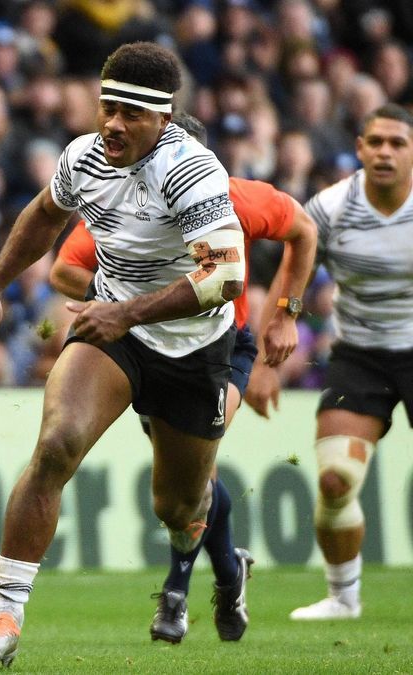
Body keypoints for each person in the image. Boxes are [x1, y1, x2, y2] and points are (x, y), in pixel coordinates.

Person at [0, 43, 247, 666]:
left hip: (193, 346)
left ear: (164, 119)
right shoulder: (82, 158)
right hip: (112, 331)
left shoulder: (193, 170)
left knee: (177, 506)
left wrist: (126, 311)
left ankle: (216, 552)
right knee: (57, 443)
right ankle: (5, 615)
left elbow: (225, 278)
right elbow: (43, 216)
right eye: (107, 107)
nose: (113, 125)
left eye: (132, 114)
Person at [49, 111, 319, 643]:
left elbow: (303, 231)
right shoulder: (132, 203)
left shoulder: (236, 199)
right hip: (148, 346)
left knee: (198, 470)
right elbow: (63, 268)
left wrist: (286, 311)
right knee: (182, 488)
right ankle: (229, 570)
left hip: (223, 346)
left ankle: (176, 591)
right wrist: (121, 302)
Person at [290, 103, 413, 621]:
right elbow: (298, 261)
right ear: (359, 148)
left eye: (398, 143)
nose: (385, 152)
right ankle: (344, 597)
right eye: (376, 142)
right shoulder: (331, 207)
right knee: (335, 479)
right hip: (360, 354)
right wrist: (281, 320)